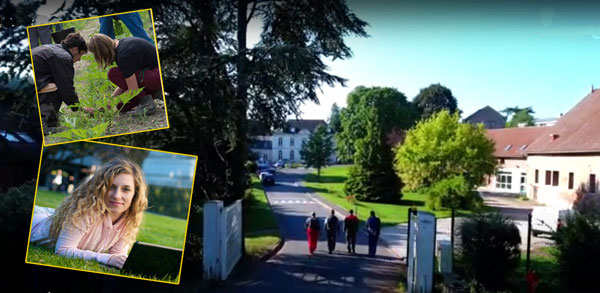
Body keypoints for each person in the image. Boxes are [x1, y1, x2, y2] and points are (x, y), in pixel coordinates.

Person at [29, 158, 148, 269]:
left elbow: (117, 256)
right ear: (101, 188)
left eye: (126, 189)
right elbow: (63, 250)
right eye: (111, 187)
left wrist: (122, 261)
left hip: (49, 215)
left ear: (135, 194)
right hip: (34, 223)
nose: (117, 196)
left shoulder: (128, 220)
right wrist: (106, 258)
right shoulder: (85, 210)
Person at [87, 33, 161, 116]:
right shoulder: (121, 45)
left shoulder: (123, 56)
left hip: (157, 75)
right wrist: (110, 101)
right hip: (152, 74)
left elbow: (133, 89)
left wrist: (109, 104)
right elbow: (127, 81)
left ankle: (148, 101)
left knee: (113, 74)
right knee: (121, 106)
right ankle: (154, 93)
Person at [32, 32, 93, 131]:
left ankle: (48, 114)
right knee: (58, 87)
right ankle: (43, 121)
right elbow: (66, 89)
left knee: (56, 83)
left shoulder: (56, 48)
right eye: (80, 55)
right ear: (75, 49)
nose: (79, 59)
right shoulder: (63, 58)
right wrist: (80, 108)